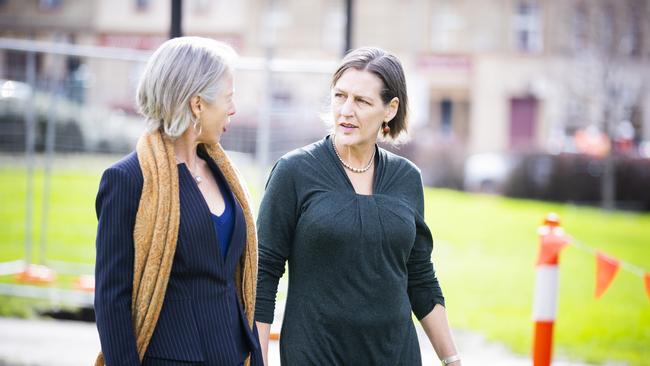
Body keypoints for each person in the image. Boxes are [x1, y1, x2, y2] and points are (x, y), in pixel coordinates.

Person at [255, 47, 461, 365]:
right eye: (340, 96)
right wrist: (258, 359)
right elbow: (263, 272)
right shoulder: (294, 171)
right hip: (314, 355)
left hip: (395, 355)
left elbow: (420, 277)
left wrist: (452, 359)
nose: (346, 111)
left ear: (390, 109)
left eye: (362, 101)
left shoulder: (407, 178)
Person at [94, 37, 262, 366]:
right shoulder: (128, 179)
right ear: (197, 104)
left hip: (234, 355)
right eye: (228, 98)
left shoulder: (224, 174)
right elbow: (112, 299)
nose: (233, 109)